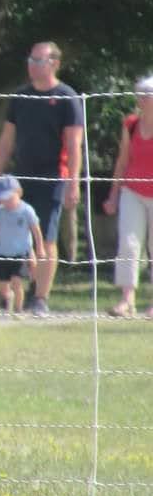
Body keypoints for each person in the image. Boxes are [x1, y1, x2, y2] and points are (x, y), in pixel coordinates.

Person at [0, 41, 84, 316]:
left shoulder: (67, 97)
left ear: (54, 63)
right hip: (20, 177)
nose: (32, 65)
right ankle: (12, 294)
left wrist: (73, 182)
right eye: (30, 59)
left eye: (38, 60)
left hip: (53, 177)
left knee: (47, 236)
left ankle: (39, 297)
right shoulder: (20, 96)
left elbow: (75, 144)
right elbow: (6, 141)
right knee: (11, 233)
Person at [102, 73, 153, 319]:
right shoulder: (131, 124)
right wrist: (113, 195)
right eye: (141, 94)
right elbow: (122, 161)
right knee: (129, 244)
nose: (142, 99)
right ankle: (127, 300)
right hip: (132, 191)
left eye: (147, 95)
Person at [0, 174, 45, 315]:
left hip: (21, 253)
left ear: (18, 192)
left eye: (9, 197)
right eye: (2, 199)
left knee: (17, 282)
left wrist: (39, 248)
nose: (6, 202)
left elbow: (36, 230)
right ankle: (8, 297)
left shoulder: (27, 211)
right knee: (1, 284)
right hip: (3, 252)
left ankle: (18, 311)